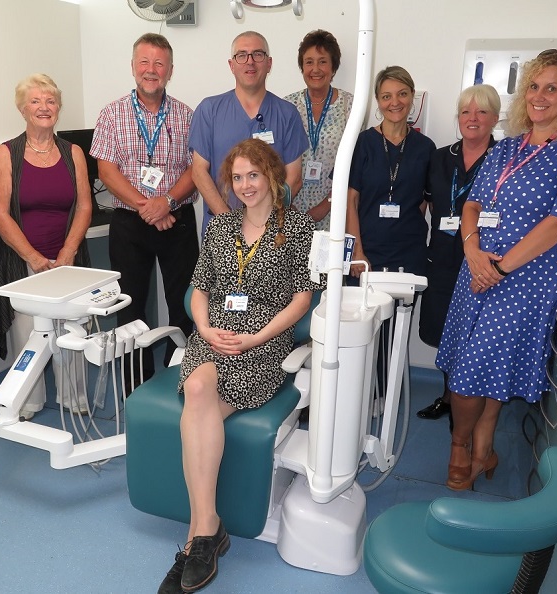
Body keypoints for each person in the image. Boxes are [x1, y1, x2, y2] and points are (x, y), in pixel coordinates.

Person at [157, 139, 321, 594]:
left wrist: (255, 338)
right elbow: (198, 289)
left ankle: (198, 538)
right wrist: (205, 329)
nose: (245, 185)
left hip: (263, 342)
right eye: (237, 177)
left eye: (253, 175)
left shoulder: (300, 231)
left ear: (271, 176)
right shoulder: (220, 228)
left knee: (199, 398)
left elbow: (301, 299)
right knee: (196, 387)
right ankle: (207, 528)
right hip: (214, 336)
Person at [436, 50, 557, 491]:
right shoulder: (508, 147)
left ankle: (460, 448)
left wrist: (502, 268)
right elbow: (472, 204)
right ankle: (484, 447)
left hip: (531, 274)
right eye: (534, 85)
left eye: (552, 88)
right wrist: (473, 250)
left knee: (476, 365)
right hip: (481, 265)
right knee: (480, 361)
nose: (539, 96)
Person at [90, 33, 199, 390]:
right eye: (144, 62)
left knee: (184, 304)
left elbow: (195, 171)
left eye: (159, 64)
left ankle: (176, 378)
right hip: (129, 224)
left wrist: (166, 202)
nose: (151, 70)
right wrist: (149, 207)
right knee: (129, 308)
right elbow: (107, 171)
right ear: (133, 67)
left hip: (177, 222)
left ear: (170, 70)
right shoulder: (111, 113)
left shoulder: (186, 115)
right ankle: (136, 387)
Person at [0, 74, 93, 419]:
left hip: (68, 260)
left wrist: (67, 253)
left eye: (50, 101)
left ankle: (73, 397)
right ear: (22, 109)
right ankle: (29, 401)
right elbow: (0, 214)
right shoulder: (6, 154)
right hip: (23, 263)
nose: (44, 107)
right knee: (28, 337)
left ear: (58, 108)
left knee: (71, 330)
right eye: (35, 101)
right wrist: (33, 258)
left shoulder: (73, 152)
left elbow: (84, 206)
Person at [416, 85, 500, 424]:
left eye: (481, 112)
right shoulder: (440, 157)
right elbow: (430, 203)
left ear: (495, 118)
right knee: (442, 330)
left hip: (481, 262)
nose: (473, 118)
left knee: (474, 334)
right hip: (441, 257)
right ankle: (449, 397)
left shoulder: (503, 160)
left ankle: (472, 407)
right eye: (466, 111)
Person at [189, 31, 308, 236]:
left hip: (271, 232)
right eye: (242, 55)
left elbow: (294, 177)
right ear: (231, 65)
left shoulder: (287, 113)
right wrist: (227, 221)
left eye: (258, 54)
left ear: (269, 64)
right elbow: (199, 172)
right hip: (221, 229)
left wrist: (264, 223)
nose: (250, 62)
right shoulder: (209, 110)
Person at [346, 65, 436, 279]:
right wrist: (357, 251)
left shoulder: (425, 148)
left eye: (402, 94)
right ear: (378, 100)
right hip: (367, 252)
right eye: (387, 96)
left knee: (402, 313)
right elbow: (350, 200)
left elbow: (424, 202)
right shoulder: (362, 143)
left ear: (412, 96)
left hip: (409, 253)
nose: (395, 102)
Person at [284, 29, 353, 230]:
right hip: (291, 212)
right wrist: (288, 206)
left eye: (322, 61)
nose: (316, 69)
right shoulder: (287, 107)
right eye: (309, 62)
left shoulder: (350, 106)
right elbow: (275, 162)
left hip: (336, 210)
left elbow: (357, 164)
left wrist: (326, 205)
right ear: (302, 67)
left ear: (333, 67)